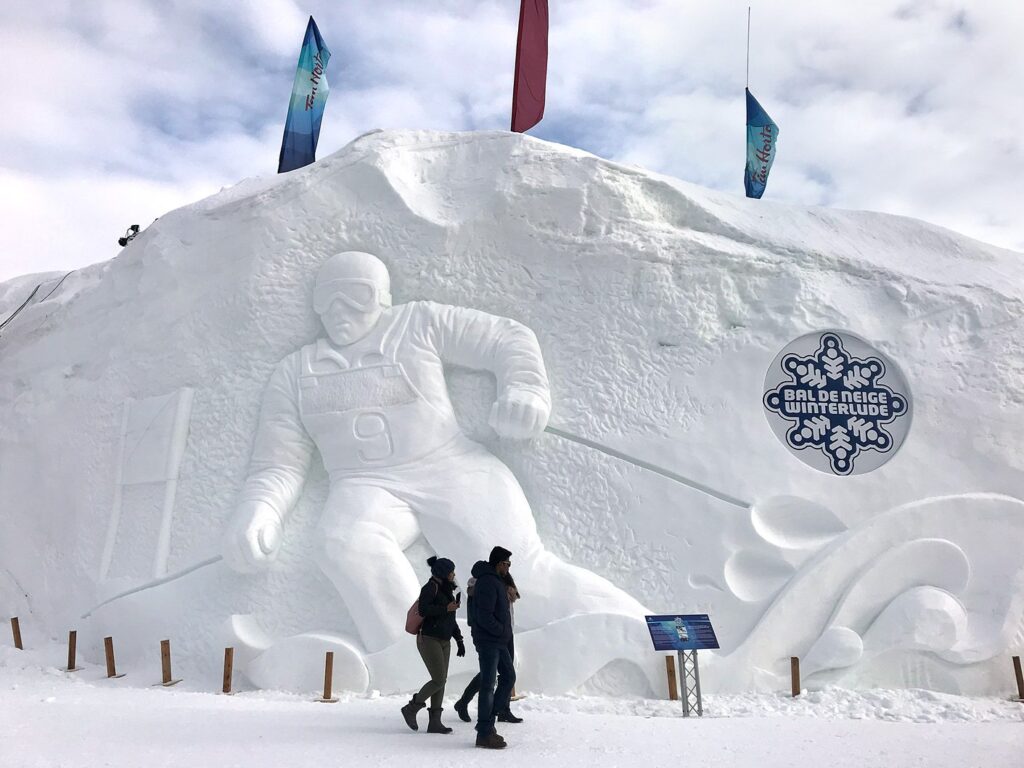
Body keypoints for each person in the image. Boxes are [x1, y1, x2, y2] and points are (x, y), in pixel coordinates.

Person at [223, 250, 651, 693]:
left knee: (520, 575)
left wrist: (525, 390)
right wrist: (260, 511)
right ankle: (419, 662)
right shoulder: (295, 372)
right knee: (343, 542)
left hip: (449, 467)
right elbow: (279, 461)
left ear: (383, 298)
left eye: (357, 295)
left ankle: (658, 636)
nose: (340, 310)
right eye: (327, 298)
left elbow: (506, 337)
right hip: (365, 485)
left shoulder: (417, 323)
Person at [401, 556, 466, 733]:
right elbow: (424, 609)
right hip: (429, 638)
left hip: (445, 639)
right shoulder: (431, 587)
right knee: (438, 679)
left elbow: (450, 619)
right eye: (451, 571)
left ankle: (434, 722)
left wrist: (459, 640)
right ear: (444, 573)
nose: (453, 574)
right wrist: (446, 608)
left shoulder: (447, 590)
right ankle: (411, 708)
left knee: (441, 680)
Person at [454, 570, 522, 724]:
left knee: (503, 672)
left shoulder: (502, 582)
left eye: (508, 564)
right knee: (490, 674)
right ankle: (466, 703)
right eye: (504, 563)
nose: (506, 567)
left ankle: (503, 709)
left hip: (506, 632)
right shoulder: (482, 584)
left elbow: (512, 599)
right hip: (491, 634)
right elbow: (483, 613)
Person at [470, 546, 516, 749]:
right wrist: (500, 631)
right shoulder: (488, 582)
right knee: (488, 685)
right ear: (499, 563)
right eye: (507, 564)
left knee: (508, 677)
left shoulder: (495, 580)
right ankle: (484, 732)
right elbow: (484, 615)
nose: (508, 568)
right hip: (489, 640)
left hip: (498, 640)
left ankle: (488, 722)